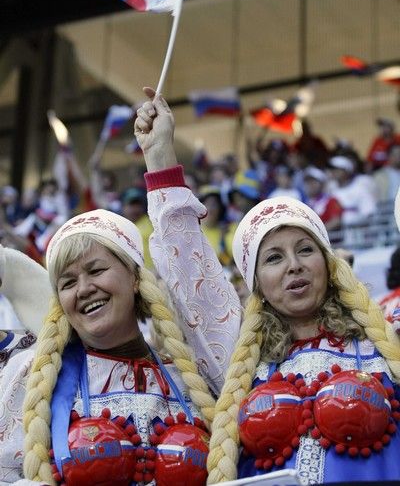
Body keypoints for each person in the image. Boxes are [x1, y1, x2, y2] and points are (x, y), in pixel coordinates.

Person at [135, 87, 400, 485]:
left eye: (305, 250)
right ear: (254, 280)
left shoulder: (386, 343)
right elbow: (190, 271)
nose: (293, 266)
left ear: (328, 264)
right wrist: (159, 156)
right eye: (273, 257)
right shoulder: (241, 361)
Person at [0, 205, 237, 485]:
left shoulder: (190, 376)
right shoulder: (32, 376)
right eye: (68, 282)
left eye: (96, 270)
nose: (84, 288)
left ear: (135, 278)